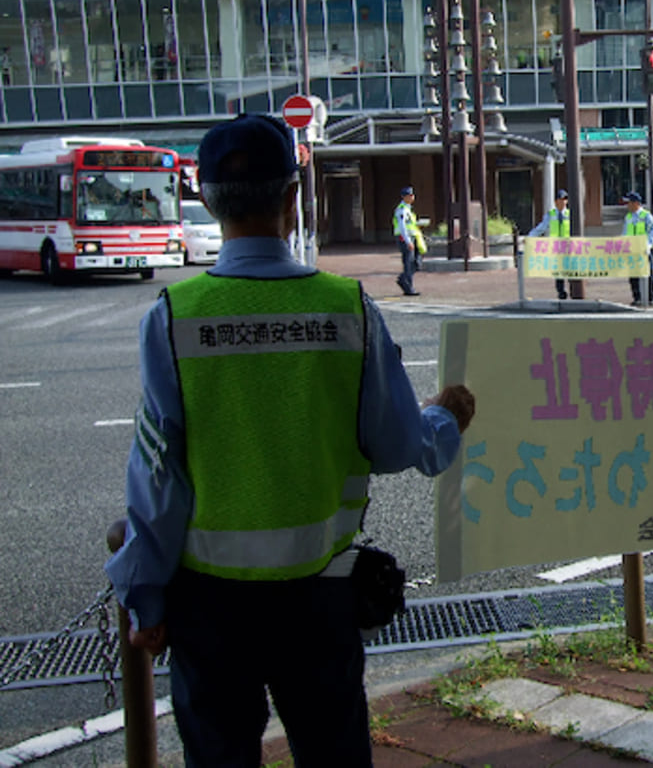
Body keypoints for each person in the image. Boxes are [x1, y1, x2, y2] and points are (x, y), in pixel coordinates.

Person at [105, 113, 476, 767]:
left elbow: (157, 480)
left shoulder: (173, 319)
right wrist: (444, 418)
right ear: (293, 197)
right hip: (320, 601)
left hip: (208, 609)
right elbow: (397, 446)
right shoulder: (347, 309)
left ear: (204, 197)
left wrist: (147, 595)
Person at [528, 188, 571, 300]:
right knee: (559, 272)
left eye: (565, 199)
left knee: (571, 270)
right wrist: (530, 237)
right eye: (561, 199)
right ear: (556, 201)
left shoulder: (570, 214)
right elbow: (541, 228)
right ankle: (561, 293)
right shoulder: (551, 214)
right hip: (556, 248)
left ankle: (573, 291)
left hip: (569, 247)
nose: (563, 202)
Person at [621, 191, 653, 306]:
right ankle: (637, 297)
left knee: (648, 273)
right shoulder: (628, 217)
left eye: (629, 203)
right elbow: (625, 233)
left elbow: (652, 231)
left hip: (643, 250)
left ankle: (651, 297)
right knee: (633, 274)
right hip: (632, 250)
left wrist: (648, 245)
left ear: (636, 203)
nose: (627, 205)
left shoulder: (646, 216)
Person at [393, 185, 420, 296]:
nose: (412, 197)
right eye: (409, 195)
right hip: (404, 238)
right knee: (408, 262)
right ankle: (408, 287)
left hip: (413, 237)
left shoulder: (409, 209)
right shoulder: (401, 210)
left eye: (412, 195)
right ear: (404, 197)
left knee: (416, 262)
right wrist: (408, 241)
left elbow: (411, 225)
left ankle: (403, 279)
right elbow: (402, 226)